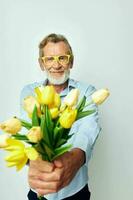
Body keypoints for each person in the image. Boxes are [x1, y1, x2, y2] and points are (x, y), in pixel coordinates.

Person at [20, 33, 101, 200]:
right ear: (41, 64)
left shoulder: (86, 92)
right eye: (49, 59)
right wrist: (34, 162)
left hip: (76, 191)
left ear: (71, 61)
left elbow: (88, 129)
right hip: (39, 191)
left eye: (62, 58)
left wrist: (74, 159)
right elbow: (27, 134)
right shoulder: (29, 93)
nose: (56, 65)